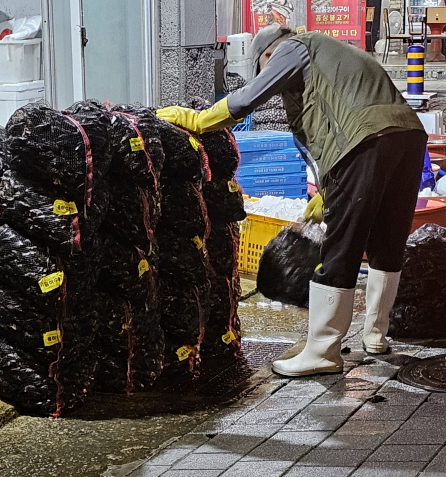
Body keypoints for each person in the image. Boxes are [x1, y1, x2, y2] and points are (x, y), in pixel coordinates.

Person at [157, 25, 427, 377]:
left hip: (365, 140)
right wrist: (330, 188)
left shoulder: (296, 48)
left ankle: (323, 352)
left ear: (267, 55)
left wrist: (199, 120)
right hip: (407, 136)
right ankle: (376, 335)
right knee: (387, 241)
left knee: (340, 248)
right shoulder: (335, 53)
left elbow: (245, 98)